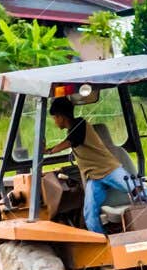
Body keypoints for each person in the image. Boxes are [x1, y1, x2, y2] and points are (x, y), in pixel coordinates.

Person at [46, 99, 134, 235]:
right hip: (94, 177)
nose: (55, 121)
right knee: (89, 214)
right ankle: (102, 242)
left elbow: (70, 142)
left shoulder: (80, 125)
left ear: (60, 116)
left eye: (54, 118)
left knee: (139, 192)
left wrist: (49, 151)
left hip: (110, 170)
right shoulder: (72, 131)